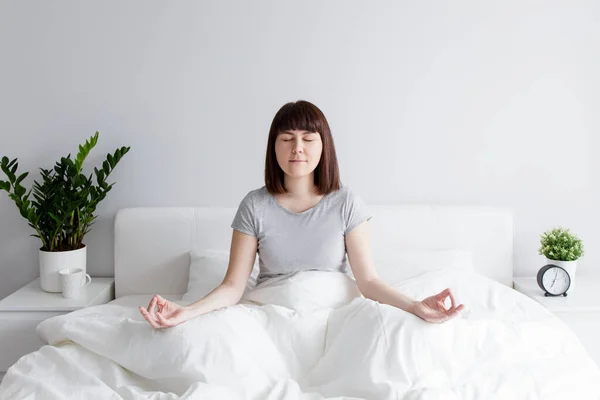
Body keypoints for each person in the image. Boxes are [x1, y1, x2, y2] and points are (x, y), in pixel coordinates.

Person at [139, 100, 464, 329]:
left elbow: (368, 281)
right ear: (274, 147)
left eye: (308, 139)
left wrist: (415, 306)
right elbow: (233, 286)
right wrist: (186, 312)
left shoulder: (346, 201)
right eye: (287, 139)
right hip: (273, 313)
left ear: (324, 147)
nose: (298, 148)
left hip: (336, 315)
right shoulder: (254, 205)